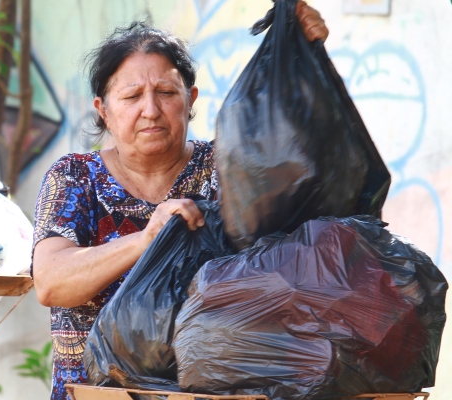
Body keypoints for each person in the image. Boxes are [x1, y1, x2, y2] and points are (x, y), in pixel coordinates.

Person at [30, 2, 330, 399]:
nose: (150, 110)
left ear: (190, 99)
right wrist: (146, 239)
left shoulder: (227, 169)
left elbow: (301, 172)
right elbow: (51, 282)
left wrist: (304, 57)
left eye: (166, 93)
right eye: (132, 96)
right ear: (103, 109)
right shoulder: (75, 178)